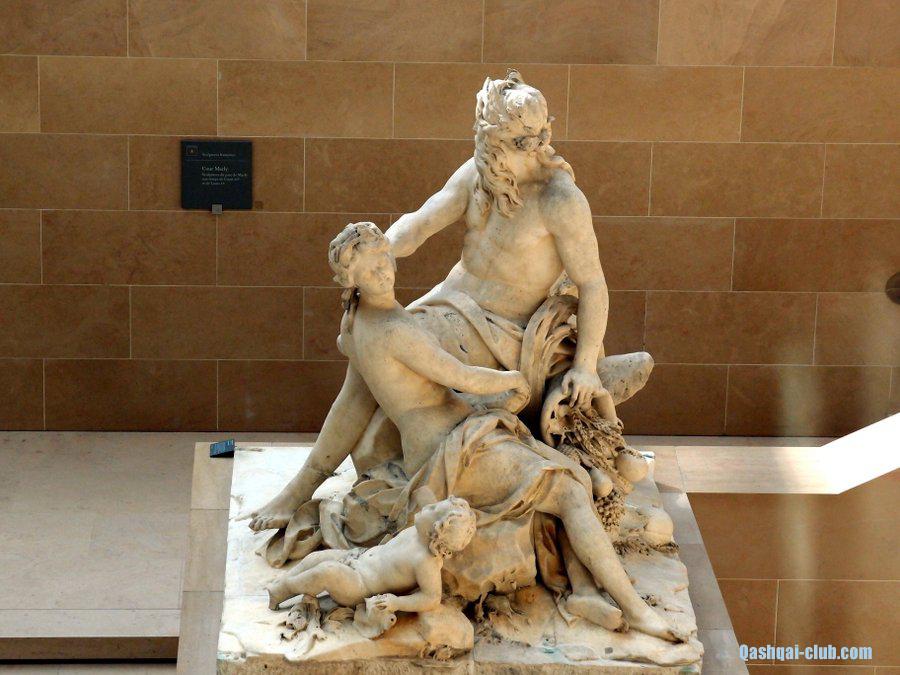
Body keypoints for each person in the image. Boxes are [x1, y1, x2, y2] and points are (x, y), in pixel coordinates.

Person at [249, 71, 653, 534]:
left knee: (377, 348)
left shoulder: (559, 199)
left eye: (537, 137)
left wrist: (584, 366)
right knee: (369, 344)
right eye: (515, 140)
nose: (534, 149)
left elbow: (593, 283)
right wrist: (377, 252)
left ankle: (304, 487)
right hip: (450, 302)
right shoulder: (479, 175)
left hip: (503, 330)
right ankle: (305, 484)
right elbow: (420, 224)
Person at [269, 222, 680, 643]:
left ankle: (584, 591)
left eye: (384, 258)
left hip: (461, 432)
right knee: (571, 490)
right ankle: (635, 609)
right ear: (350, 280)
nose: (384, 271)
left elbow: (365, 400)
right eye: (370, 269)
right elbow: (459, 375)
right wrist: (515, 380)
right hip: (454, 450)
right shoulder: (395, 329)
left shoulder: (355, 323)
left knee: (564, 475)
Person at [267, 497, 476, 616]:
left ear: (435, 531)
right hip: (357, 558)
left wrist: (397, 603)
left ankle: (282, 590)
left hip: (359, 586)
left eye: (433, 509)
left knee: (326, 572)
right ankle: (286, 580)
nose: (427, 506)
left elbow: (431, 598)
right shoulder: (415, 531)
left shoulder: (425, 561)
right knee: (316, 558)